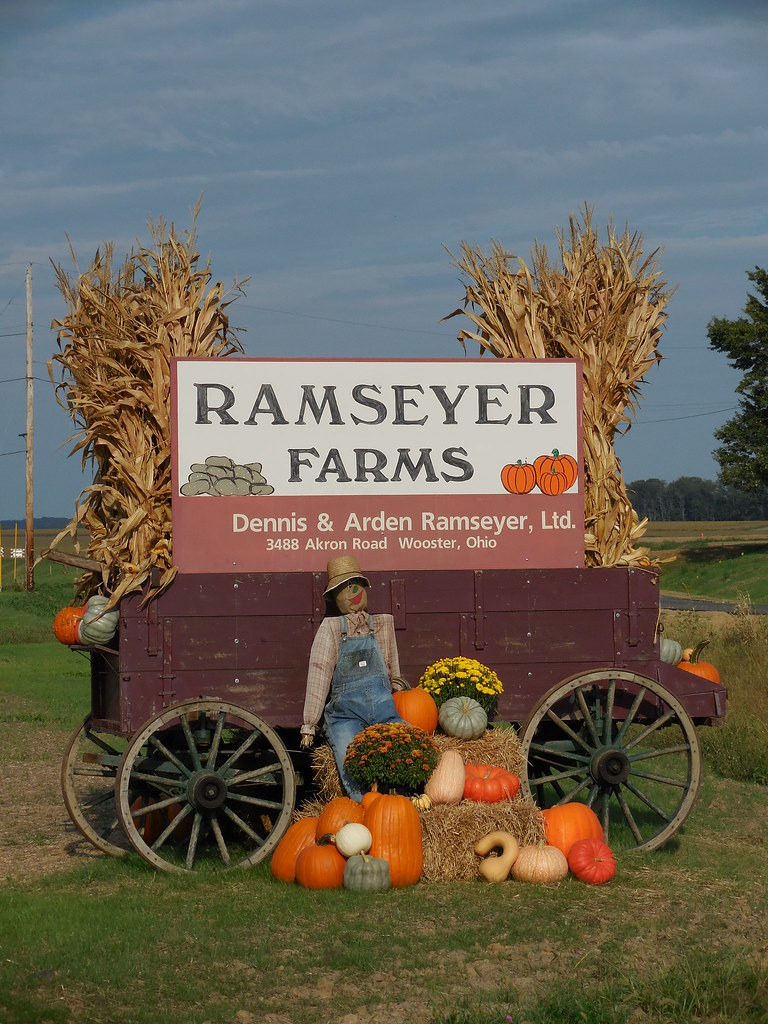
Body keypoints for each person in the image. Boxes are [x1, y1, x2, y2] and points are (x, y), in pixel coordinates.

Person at [300, 555, 406, 801]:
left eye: (356, 584)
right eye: (345, 588)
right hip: (345, 715)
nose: (353, 591)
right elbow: (319, 672)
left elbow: (393, 668)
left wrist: (398, 690)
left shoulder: (381, 624)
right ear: (336, 597)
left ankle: (404, 801)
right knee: (351, 761)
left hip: (384, 711)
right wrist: (309, 723)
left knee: (409, 748)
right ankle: (365, 809)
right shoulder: (332, 629)